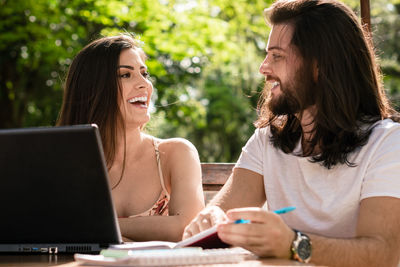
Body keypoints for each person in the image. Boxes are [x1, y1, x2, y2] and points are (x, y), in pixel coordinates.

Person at [183, 0, 400, 266]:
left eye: (277, 56)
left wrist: (293, 244)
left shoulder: (388, 143)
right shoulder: (268, 139)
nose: (263, 68)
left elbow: (383, 254)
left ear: (320, 66)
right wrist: (211, 220)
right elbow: (222, 212)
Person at [57, 34, 205, 242]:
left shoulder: (176, 153)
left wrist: (97, 226)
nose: (144, 84)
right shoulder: (64, 161)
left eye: (144, 74)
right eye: (125, 75)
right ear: (94, 88)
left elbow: (187, 227)